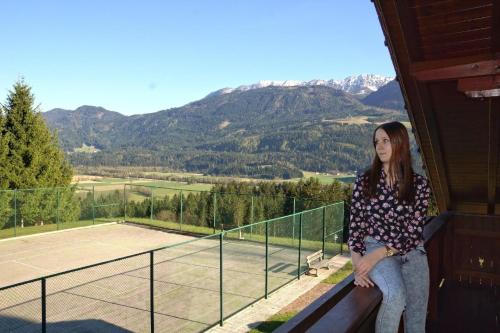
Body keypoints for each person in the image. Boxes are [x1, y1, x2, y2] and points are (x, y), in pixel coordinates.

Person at [348, 121, 432, 333]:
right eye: (377, 142)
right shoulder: (365, 181)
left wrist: (379, 254)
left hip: (411, 251)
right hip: (373, 246)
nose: (380, 146)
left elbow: (412, 232)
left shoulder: (419, 185)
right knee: (395, 296)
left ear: (400, 143)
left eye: (386, 141)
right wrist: (359, 267)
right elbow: (356, 227)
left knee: (417, 310)